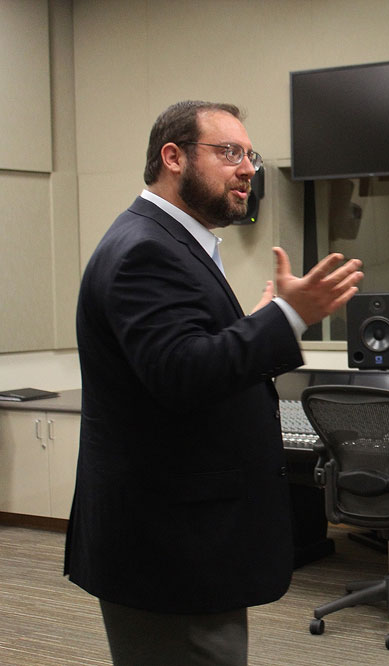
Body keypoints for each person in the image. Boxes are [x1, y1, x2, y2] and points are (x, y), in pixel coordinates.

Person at [64, 100, 364, 665]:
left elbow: (188, 354)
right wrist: (287, 319)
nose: (247, 168)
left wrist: (263, 322)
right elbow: (181, 374)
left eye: (249, 154)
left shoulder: (172, 242)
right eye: (228, 153)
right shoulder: (146, 250)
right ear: (172, 157)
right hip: (168, 547)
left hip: (180, 539)